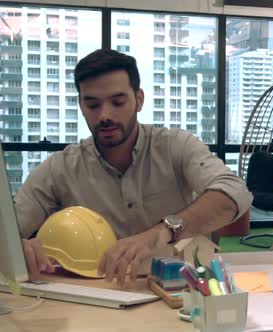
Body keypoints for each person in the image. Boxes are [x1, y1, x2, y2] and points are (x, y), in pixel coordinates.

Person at [15, 49, 252, 285]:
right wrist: (18, 248)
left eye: (118, 102)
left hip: (177, 291)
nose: (104, 115)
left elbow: (235, 191)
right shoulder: (62, 167)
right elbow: (10, 227)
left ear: (138, 100)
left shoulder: (175, 146)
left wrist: (163, 231)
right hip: (95, 295)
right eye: (92, 105)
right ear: (80, 105)